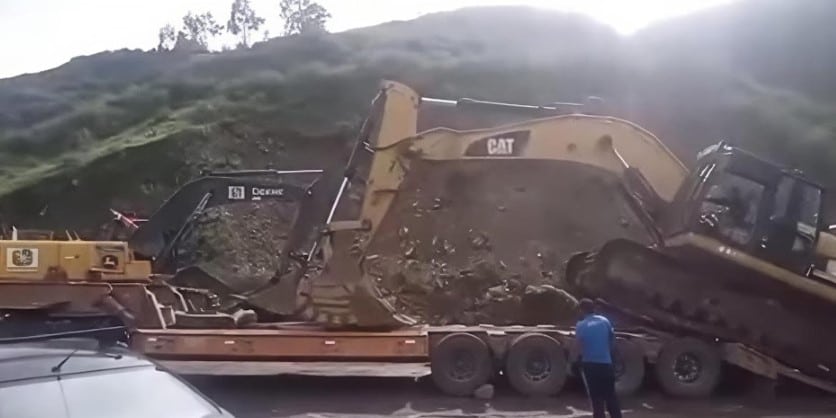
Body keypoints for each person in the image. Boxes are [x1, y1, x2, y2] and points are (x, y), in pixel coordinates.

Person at [575, 298, 622, 418]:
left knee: (596, 399)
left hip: (590, 365)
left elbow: (579, 346)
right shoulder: (605, 321)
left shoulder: (580, 325)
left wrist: (575, 361)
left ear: (581, 310)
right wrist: (611, 355)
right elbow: (612, 340)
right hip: (606, 364)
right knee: (611, 397)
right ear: (593, 309)